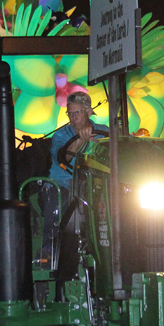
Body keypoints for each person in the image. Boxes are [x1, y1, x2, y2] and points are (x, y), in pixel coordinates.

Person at [40, 92, 106, 262]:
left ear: (89, 112)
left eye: (77, 112)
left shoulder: (104, 132)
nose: (73, 117)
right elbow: (62, 157)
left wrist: (99, 147)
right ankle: (50, 249)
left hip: (94, 183)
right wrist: (80, 141)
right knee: (56, 201)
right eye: (70, 113)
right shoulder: (61, 135)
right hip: (62, 182)